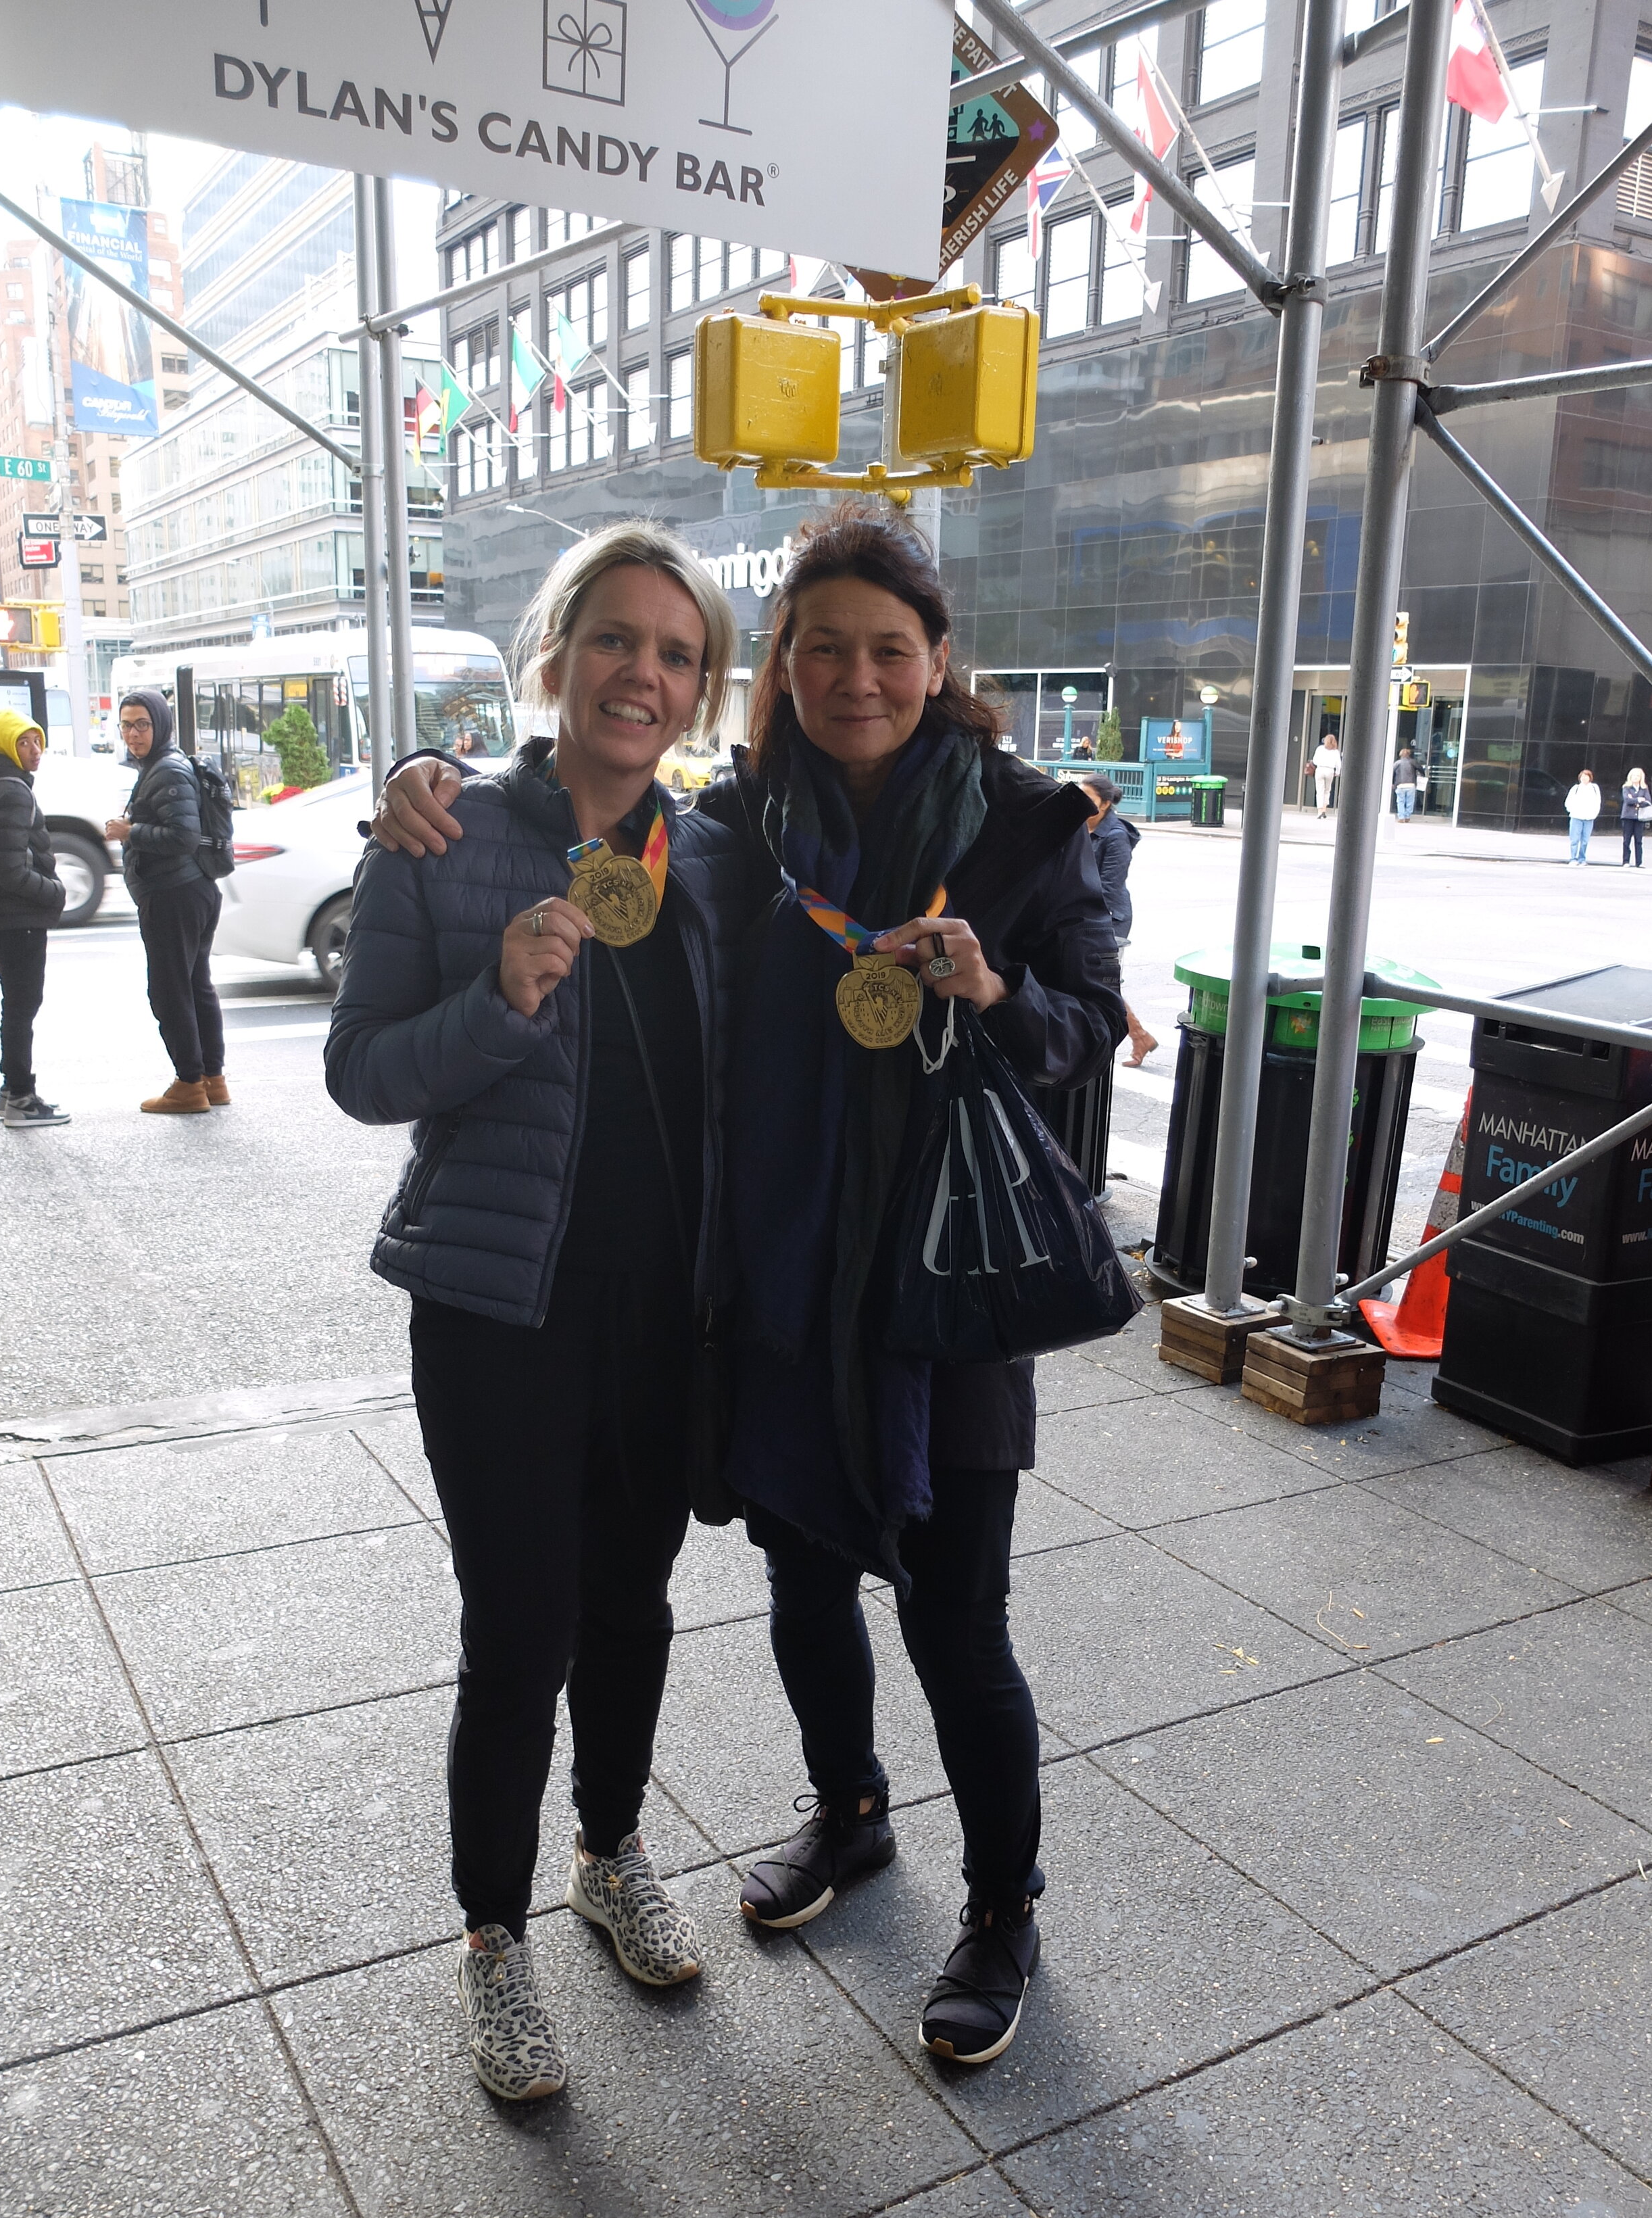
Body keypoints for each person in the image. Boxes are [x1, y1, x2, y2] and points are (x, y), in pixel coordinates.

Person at [372, 504, 1126, 2073]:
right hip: (707, 1296)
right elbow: (397, 1035)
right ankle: (809, 1826)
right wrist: (423, 800)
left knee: (947, 1619)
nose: (858, 675)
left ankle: (996, 1906)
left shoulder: (1014, 827)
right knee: (726, 1600)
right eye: (824, 646)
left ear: (936, 666)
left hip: (912, 1295)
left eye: (891, 650)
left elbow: (1083, 1032)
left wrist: (993, 984)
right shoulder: (741, 828)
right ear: (779, 667)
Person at [326, 523, 745, 2106]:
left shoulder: (707, 859)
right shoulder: (441, 842)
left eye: (677, 651)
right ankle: (494, 1940)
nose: (644, 671)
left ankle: (610, 1851)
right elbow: (364, 1074)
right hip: (497, 1307)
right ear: (555, 658)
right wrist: (493, 1001)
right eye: (617, 639)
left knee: (632, 1606)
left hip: (660, 1316)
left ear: (697, 690)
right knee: (520, 1630)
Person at [105, 690, 228, 1114]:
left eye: (142, 724)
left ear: (159, 724)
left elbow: (183, 837)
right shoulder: (161, 766)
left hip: (174, 894)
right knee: (195, 986)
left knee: (170, 991)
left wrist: (130, 832)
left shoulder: (167, 770)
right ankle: (213, 1080)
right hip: (191, 891)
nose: (134, 733)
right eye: (126, 725)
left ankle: (189, 1084)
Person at [0, 710, 69, 1127]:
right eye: (23, 743)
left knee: (15, 1004)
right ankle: (20, 1096)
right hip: (18, 916)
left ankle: (9, 1092)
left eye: (37, 740)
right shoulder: (13, 790)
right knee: (21, 1005)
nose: (35, 751)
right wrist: (56, 892)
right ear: (5, 745)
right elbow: (11, 869)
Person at [1077, 775, 1158, 1065]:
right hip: (1082, 915)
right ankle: (1139, 1036)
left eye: (1088, 797)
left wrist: (1090, 925)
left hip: (1108, 918)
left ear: (1106, 803)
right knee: (1101, 982)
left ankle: (1137, 1036)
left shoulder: (1116, 836)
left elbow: (1109, 887)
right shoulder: (1080, 826)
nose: (1082, 802)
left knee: (1104, 983)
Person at [1565, 768, 1601, 865]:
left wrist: (1594, 813)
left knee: (1585, 840)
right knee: (1574, 839)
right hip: (1576, 816)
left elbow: (1598, 802)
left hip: (1589, 817)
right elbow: (1568, 801)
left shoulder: (1594, 788)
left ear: (1590, 778)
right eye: (1583, 777)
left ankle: (1582, 858)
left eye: (1587, 777)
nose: (1584, 778)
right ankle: (1573, 858)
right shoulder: (1576, 788)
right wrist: (1571, 811)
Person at [1620, 767, 1652, 867]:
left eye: (1638, 776)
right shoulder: (1626, 788)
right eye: (1634, 775)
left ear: (1641, 777)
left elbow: (1648, 802)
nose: (1635, 777)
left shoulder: (1644, 788)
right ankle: (1626, 861)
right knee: (1627, 840)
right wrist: (1639, 799)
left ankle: (1639, 862)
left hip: (1640, 817)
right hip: (1628, 817)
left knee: (1639, 840)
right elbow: (1627, 800)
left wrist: (1636, 801)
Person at [1313, 732, 1341, 818]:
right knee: (1327, 790)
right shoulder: (1335, 752)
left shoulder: (1320, 749)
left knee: (1320, 791)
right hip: (1330, 771)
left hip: (1320, 769)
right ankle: (1324, 810)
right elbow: (1339, 763)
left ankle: (1319, 811)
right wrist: (1338, 772)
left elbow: (1315, 761)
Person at [1391, 749, 1422, 822]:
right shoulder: (1412, 762)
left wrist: (1392, 783)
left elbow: (1392, 773)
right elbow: (1420, 768)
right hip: (1411, 784)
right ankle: (1407, 816)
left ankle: (1401, 817)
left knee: (1400, 801)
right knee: (1410, 802)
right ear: (1409, 754)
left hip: (1400, 785)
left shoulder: (1397, 763)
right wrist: (1422, 775)